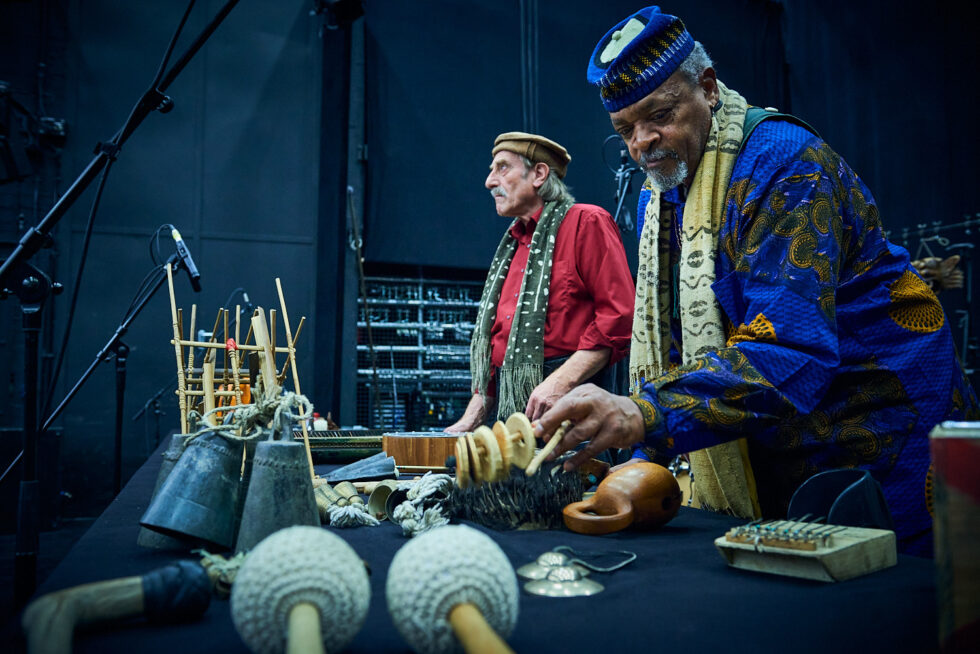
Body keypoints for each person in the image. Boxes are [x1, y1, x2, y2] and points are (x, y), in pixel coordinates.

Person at [534, 6, 978, 556]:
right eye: (625, 130)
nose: (643, 142)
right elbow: (676, 342)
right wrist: (638, 445)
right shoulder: (664, 192)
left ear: (709, 88)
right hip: (786, 442)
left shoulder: (786, 166)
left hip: (886, 427)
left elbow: (790, 352)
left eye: (661, 114)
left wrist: (644, 413)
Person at [446, 132, 634, 432]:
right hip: (511, 418)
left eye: (502, 168)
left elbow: (619, 318)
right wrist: (472, 417)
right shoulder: (513, 243)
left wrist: (560, 382)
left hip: (574, 414)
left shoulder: (587, 222)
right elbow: (499, 344)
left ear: (539, 174)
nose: (490, 181)